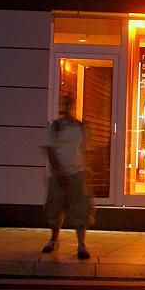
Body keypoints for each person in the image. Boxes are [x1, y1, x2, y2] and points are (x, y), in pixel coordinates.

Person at [42, 94, 95, 259]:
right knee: (55, 209)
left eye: (69, 104)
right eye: (64, 104)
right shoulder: (55, 127)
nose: (66, 107)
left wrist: (87, 169)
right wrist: (58, 172)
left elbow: (85, 149)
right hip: (58, 174)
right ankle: (53, 239)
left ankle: (81, 244)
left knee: (80, 210)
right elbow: (50, 151)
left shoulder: (80, 126)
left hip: (78, 173)